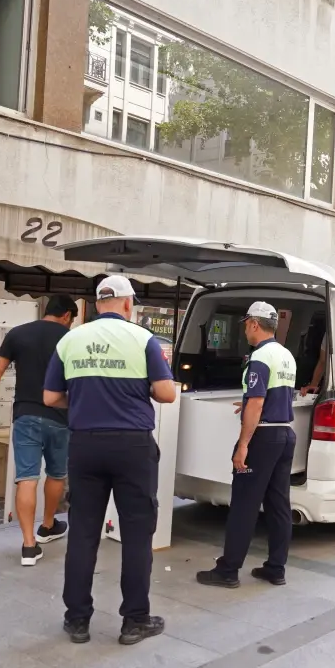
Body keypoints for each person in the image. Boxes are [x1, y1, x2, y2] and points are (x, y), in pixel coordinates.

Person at [43, 275, 177, 645]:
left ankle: (77, 620)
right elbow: (167, 394)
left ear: (97, 303)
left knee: (84, 531)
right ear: (128, 304)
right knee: (136, 533)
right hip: (133, 446)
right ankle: (135, 620)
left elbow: (51, 397)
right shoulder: (141, 339)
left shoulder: (71, 339)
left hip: (85, 444)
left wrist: (87, 401)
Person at [198, 302, 298, 589]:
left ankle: (228, 570)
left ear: (254, 324)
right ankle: (275, 568)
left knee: (244, 505)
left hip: (262, 439)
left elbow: (257, 402)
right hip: (283, 434)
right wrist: (246, 404)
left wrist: (243, 445)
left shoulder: (260, 357)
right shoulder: (285, 355)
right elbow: (271, 395)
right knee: (279, 505)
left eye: (245, 324)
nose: (244, 328)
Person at [0, 294, 78, 566]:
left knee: (27, 478)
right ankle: (47, 526)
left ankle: (29, 546)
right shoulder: (71, 339)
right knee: (57, 474)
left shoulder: (18, 334)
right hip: (61, 416)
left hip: (26, 416)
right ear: (67, 315)